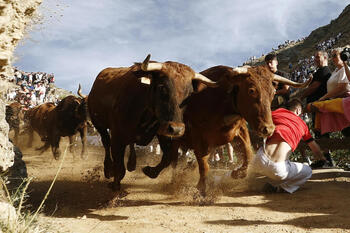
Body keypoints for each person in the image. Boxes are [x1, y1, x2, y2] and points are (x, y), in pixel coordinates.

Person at [251, 99, 326, 193]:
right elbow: (315, 148)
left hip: (260, 159)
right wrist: (322, 159)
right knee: (307, 170)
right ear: (298, 110)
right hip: (278, 169)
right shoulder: (302, 124)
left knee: (243, 170)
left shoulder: (275, 113)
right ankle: (281, 188)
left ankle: (227, 180)